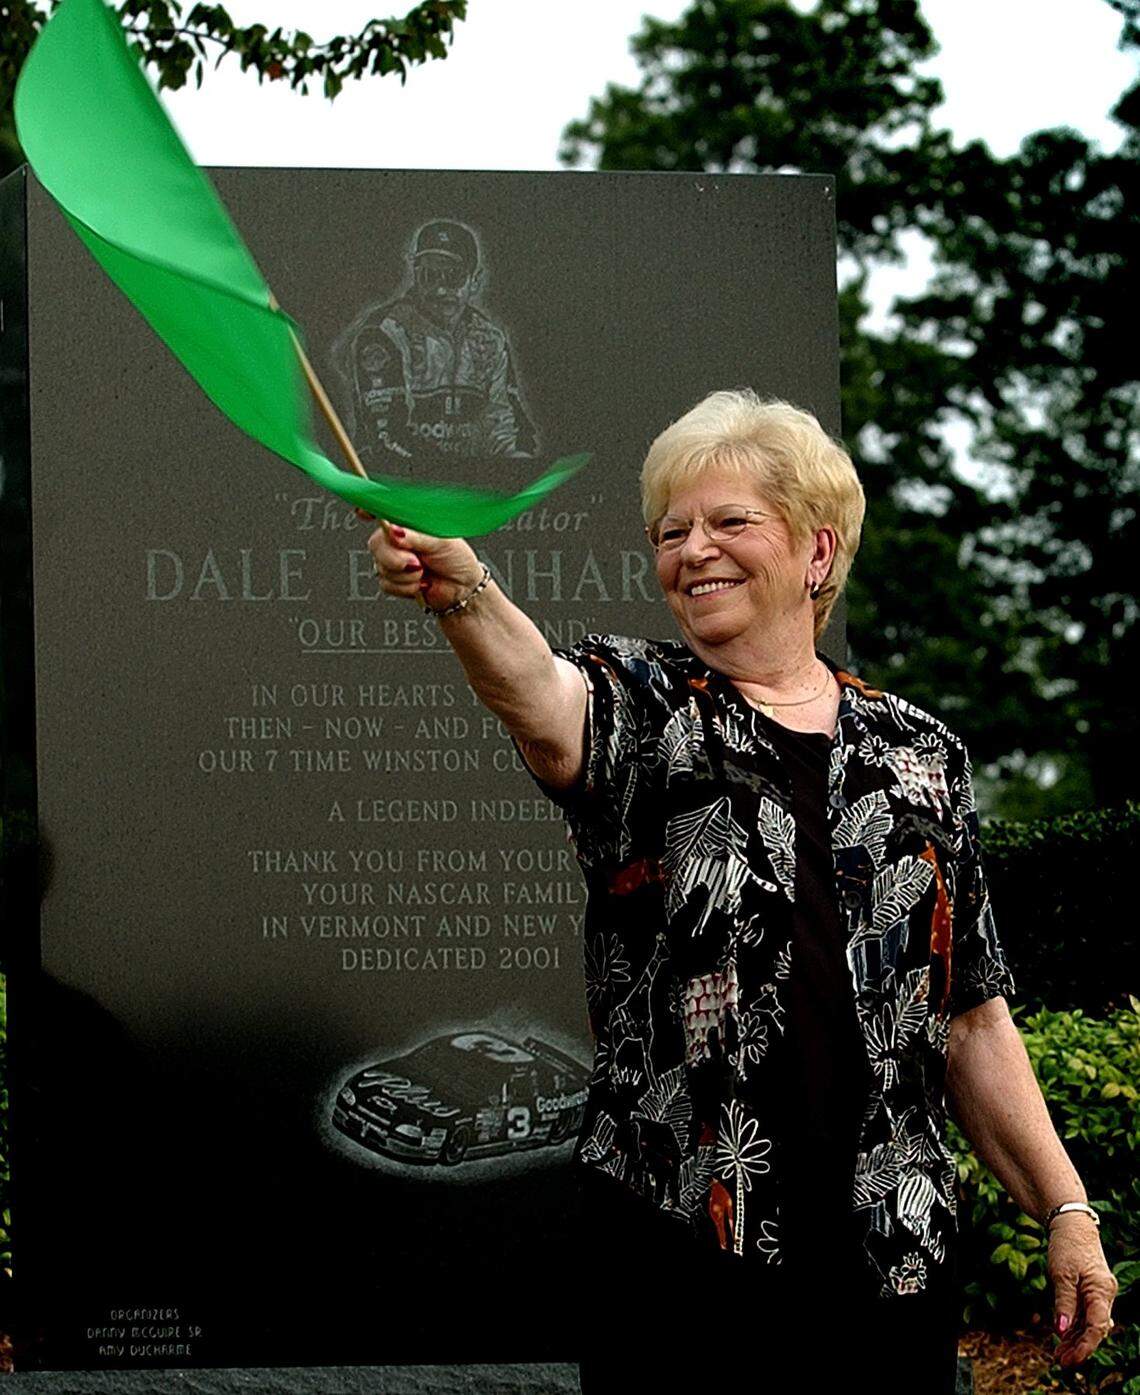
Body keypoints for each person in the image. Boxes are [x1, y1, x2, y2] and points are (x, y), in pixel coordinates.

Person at [361, 390, 1117, 1393]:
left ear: (816, 552)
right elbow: (539, 698)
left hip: (891, 1260)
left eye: (729, 521)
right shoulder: (647, 705)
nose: (693, 549)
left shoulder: (924, 754)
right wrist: (464, 593)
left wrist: (1066, 1210)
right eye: (671, 531)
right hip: (683, 1255)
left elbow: (972, 1022)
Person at [332, 218, 537, 466]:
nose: (440, 291)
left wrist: (518, 467)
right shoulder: (383, 333)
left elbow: (507, 428)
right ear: (415, 276)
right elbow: (385, 441)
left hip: (470, 487)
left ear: (475, 280)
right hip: (397, 485)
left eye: (452, 277)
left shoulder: (490, 338)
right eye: (429, 276)